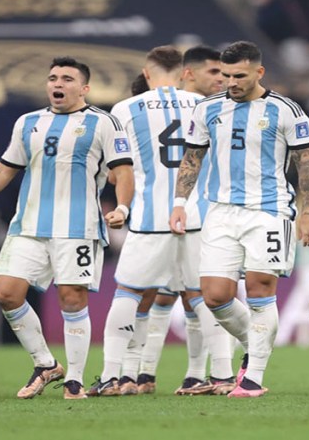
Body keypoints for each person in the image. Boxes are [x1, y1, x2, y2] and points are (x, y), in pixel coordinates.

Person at [0, 57, 134, 400]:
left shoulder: (105, 123)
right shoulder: (28, 122)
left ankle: (74, 379)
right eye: (52, 78)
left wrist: (121, 206)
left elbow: (122, 171)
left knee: (71, 299)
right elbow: (4, 169)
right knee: (5, 292)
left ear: (84, 88)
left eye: (66, 79)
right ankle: (45, 364)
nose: (57, 84)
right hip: (28, 225)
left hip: (78, 228)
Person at [170, 40, 309, 398]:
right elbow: (192, 158)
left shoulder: (286, 110)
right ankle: (254, 344)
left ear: (259, 72)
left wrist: (308, 210)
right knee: (215, 296)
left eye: (239, 75)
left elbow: (305, 163)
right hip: (220, 212)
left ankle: (253, 378)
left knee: (259, 291)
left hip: (268, 211)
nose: (231, 82)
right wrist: (180, 202)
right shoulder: (208, 109)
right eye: (225, 75)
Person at [90, 46, 235, 397]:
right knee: (202, 297)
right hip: (199, 215)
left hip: (150, 217)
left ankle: (112, 375)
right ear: (184, 71)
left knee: (127, 292)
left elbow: (117, 170)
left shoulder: (124, 109)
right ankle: (222, 375)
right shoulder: (206, 105)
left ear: (147, 73)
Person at [136, 45, 231, 395]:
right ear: (188, 73)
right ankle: (200, 372)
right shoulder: (215, 110)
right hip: (198, 213)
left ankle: (146, 373)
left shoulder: (146, 107)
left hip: (161, 214)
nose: (222, 80)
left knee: (165, 295)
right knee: (192, 296)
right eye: (215, 73)